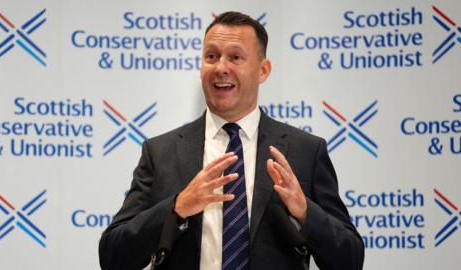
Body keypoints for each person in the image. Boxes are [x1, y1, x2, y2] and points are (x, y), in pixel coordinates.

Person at [99, 11, 364, 270]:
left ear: (263, 70)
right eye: (211, 56)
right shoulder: (161, 152)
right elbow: (113, 256)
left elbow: (351, 259)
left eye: (235, 57)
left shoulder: (305, 151)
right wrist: (177, 207)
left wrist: (306, 212)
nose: (221, 68)